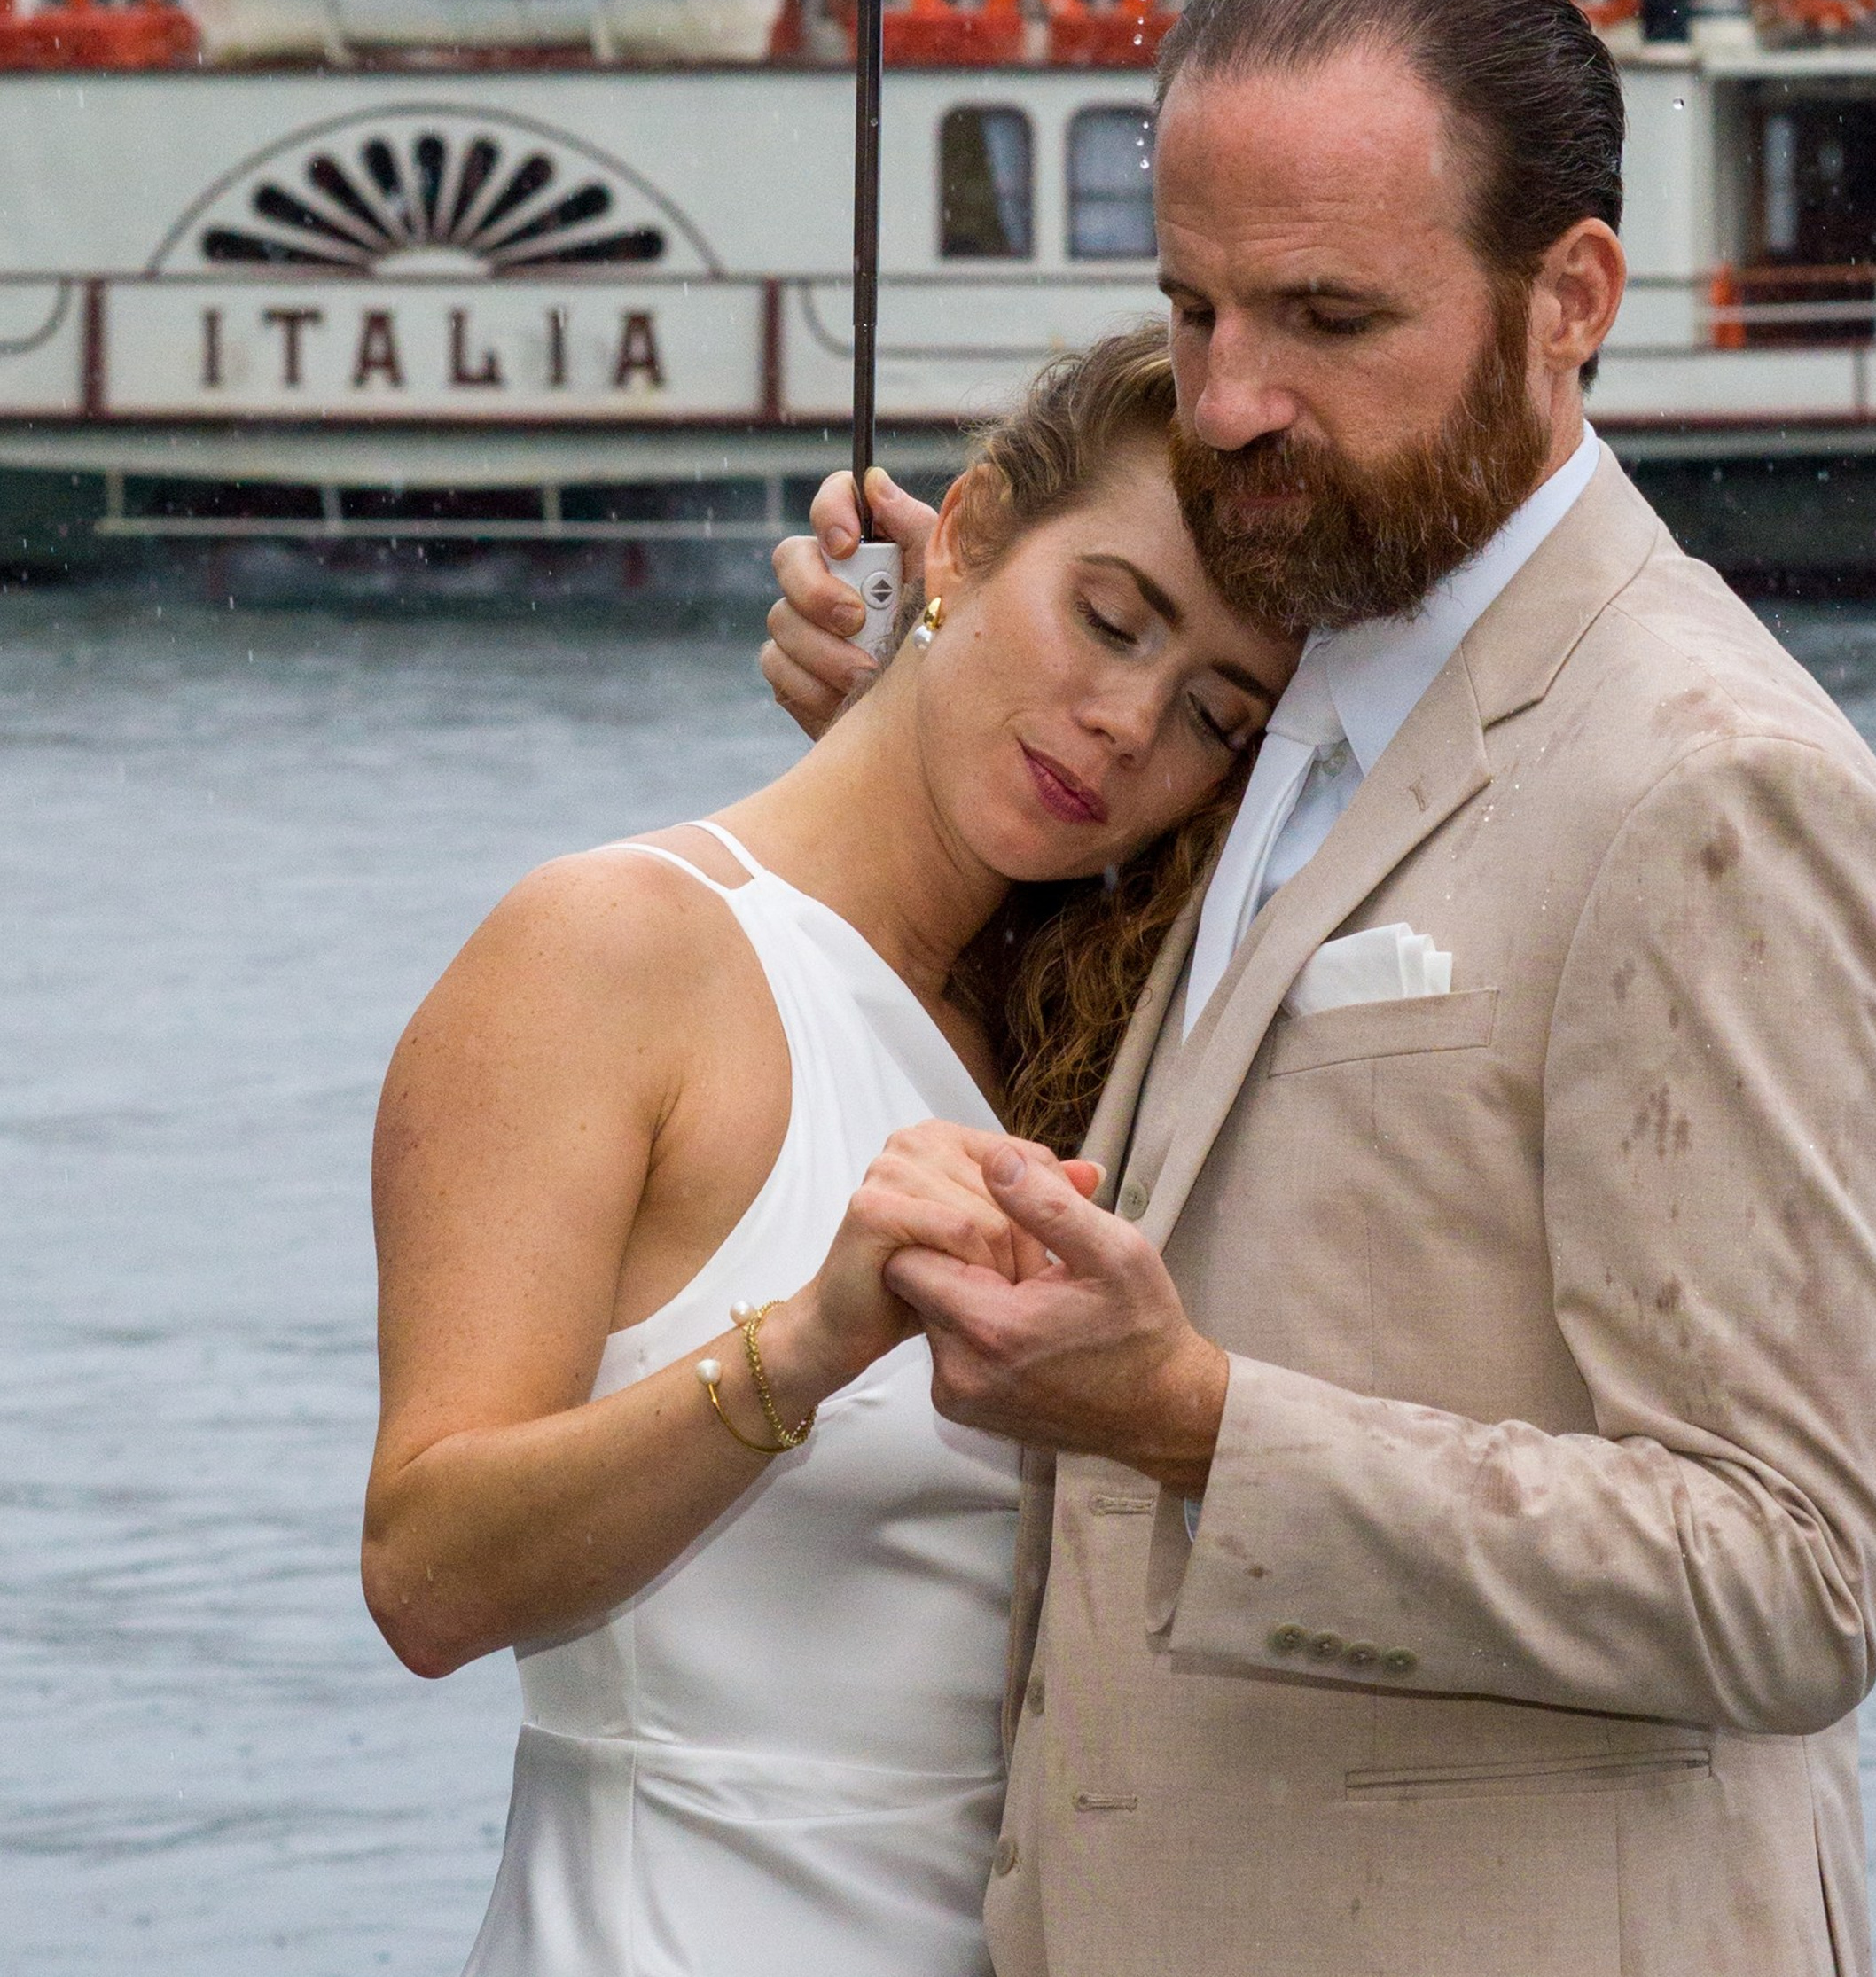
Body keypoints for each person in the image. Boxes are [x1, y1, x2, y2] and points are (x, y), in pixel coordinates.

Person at [767, 0, 1876, 1977]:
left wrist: (1194, 1422)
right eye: (1191, 307)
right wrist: (916, 722)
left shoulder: (1713, 788)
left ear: (1568, 299)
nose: (1231, 401)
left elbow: (1788, 1583)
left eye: (1327, 319)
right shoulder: (1293, 673)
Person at [360, 331, 1297, 1977]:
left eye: (1215, 714)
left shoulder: (1074, 1055)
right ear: (976, 534)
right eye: (1108, 617)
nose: (1127, 720)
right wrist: (802, 1345)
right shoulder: (611, 949)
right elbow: (427, 1575)